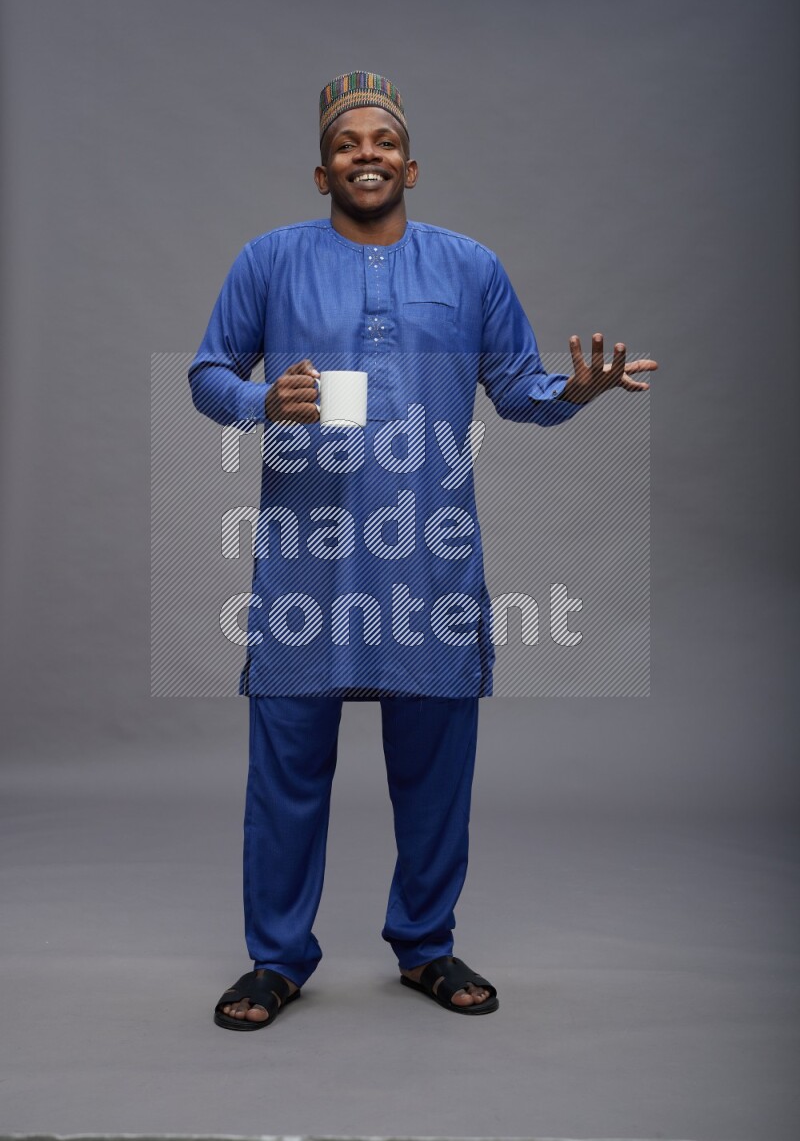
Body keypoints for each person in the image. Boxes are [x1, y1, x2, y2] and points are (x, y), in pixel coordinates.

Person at [188, 71, 657, 1031]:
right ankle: (276, 960)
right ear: (321, 172)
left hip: (427, 563)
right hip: (306, 565)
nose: (368, 153)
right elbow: (206, 372)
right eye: (348, 142)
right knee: (285, 773)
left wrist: (580, 389)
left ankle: (427, 946)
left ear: (413, 165)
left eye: (384, 140)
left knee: (436, 771)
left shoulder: (471, 267)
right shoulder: (269, 261)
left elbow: (520, 392)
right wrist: (255, 400)